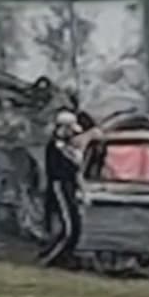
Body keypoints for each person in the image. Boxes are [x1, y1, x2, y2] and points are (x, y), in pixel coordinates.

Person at [38, 110, 83, 269]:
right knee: (69, 228)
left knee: (74, 225)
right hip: (60, 185)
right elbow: (60, 168)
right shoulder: (56, 146)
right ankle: (51, 257)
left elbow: (77, 168)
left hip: (69, 185)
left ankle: (64, 256)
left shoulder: (69, 146)